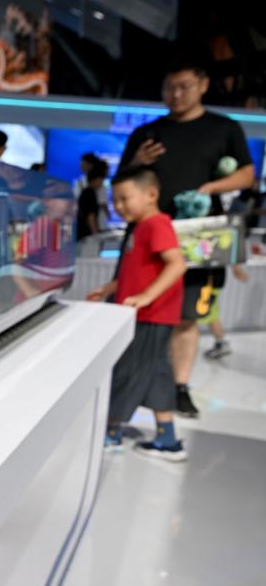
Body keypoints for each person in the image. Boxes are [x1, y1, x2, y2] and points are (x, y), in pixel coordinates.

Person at [118, 57, 254, 418]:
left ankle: (178, 387)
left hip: (198, 239)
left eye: (184, 87)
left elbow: (246, 175)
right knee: (135, 308)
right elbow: (122, 181)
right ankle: (133, 384)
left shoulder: (224, 128)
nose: (176, 95)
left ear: (203, 85)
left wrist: (209, 188)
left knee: (187, 315)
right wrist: (136, 161)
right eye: (169, 87)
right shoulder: (147, 133)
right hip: (147, 236)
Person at [87, 167, 187, 461]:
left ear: (151, 194)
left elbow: (177, 264)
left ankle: (112, 431)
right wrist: (108, 289)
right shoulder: (140, 227)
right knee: (155, 374)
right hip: (145, 315)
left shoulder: (157, 224)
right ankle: (167, 438)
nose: (118, 206)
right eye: (114, 200)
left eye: (124, 198)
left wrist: (146, 297)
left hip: (150, 316)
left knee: (127, 372)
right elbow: (134, 272)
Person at [202, 264, 250, 358]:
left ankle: (221, 343)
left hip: (210, 277)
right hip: (207, 276)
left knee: (210, 312)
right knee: (210, 312)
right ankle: (220, 343)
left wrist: (236, 268)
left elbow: (227, 254)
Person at [77, 159, 109, 240]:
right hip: (86, 234)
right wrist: (95, 235)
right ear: (95, 179)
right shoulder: (90, 194)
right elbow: (90, 216)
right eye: (101, 180)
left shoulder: (86, 192)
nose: (101, 183)